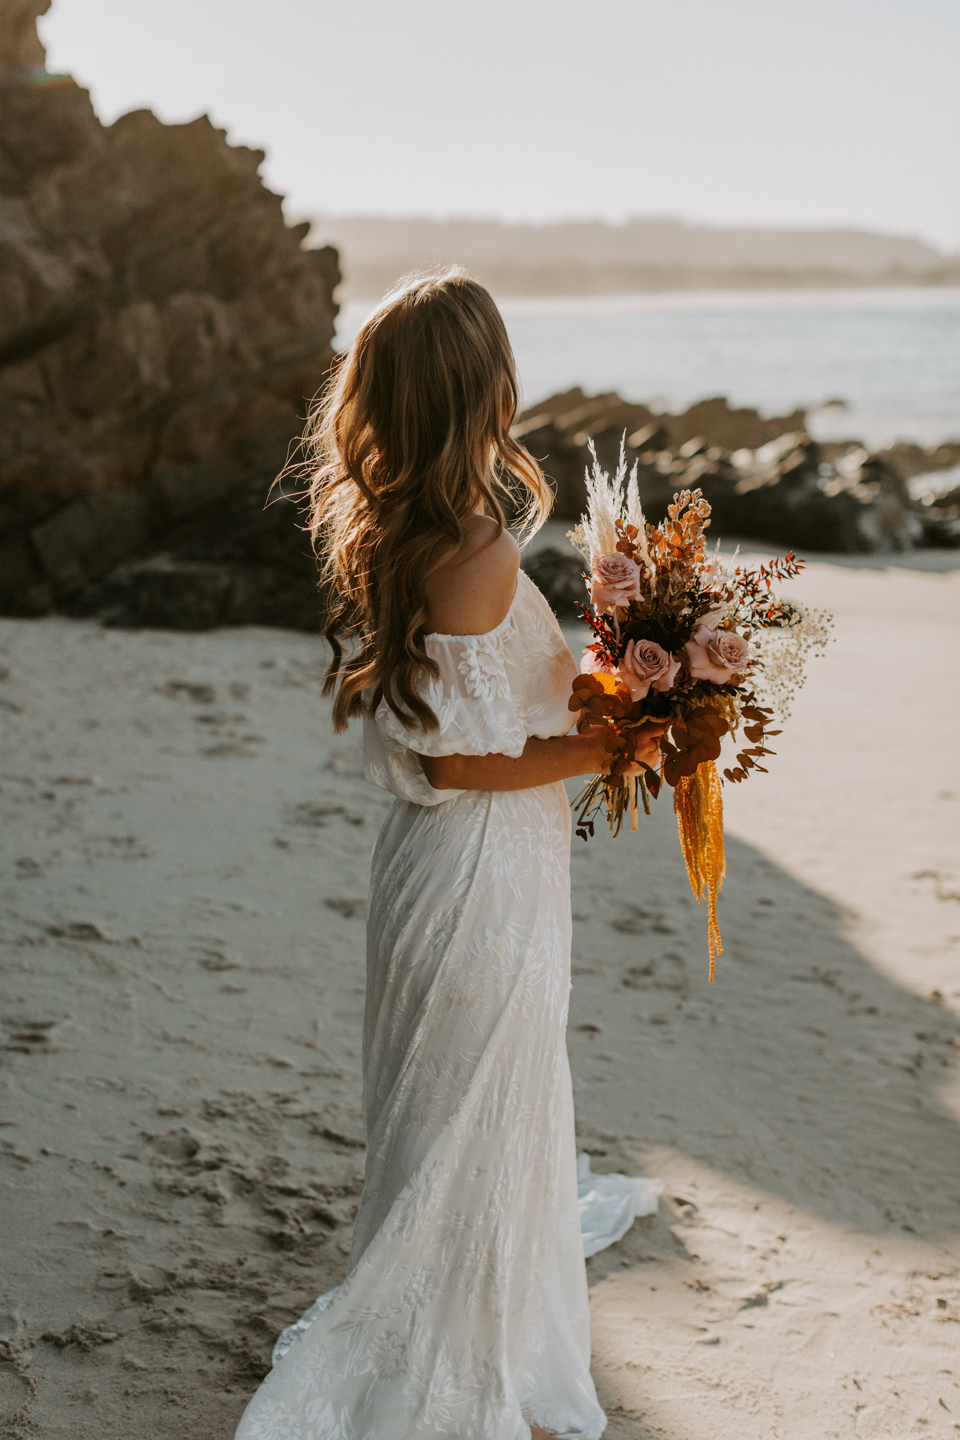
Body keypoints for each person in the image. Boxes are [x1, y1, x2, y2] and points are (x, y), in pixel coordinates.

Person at [235, 267, 662, 1440]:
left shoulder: (415, 528)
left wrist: (614, 686)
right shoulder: (472, 546)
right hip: (479, 869)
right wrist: (621, 738)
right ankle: (457, 1374)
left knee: (456, 1117)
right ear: (486, 388)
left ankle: (476, 1340)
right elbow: (464, 760)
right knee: (468, 1116)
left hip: (445, 868)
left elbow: (467, 714)